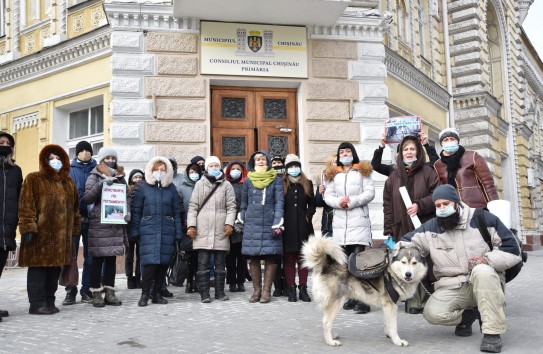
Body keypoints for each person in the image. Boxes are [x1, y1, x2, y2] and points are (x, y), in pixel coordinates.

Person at [400, 184, 522, 353]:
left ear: (457, 203)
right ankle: (468, 315)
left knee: (482, 271)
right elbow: (407, 244)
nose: (442, 209)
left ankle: (492, 334)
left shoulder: (483, 218)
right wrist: (392, 253)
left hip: (486, 281)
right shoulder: (431, 227)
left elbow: (513, 250)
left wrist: (487, 260)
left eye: (446, 204)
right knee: (432, 313)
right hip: (453, 286)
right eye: (438, 206)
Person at [18, 144, 80, 315]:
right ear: (44, 161)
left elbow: (75, 209)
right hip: (40, 236)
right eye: (51, 159)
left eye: (58, 159)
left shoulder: (68, 182)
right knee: (38, 270)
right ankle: (37, 304)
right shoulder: (34, 179)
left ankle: (49, 301)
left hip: (61, 238)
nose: (55, 161)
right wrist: (28, 227)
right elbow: (26, 205)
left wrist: (75, 230)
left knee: (53, 271)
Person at [382, 135, 441, 314]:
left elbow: (437, 195)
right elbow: (387, 204)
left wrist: (420, 205)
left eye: (412, 149)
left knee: (424, 262)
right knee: (406, 263)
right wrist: (389, 228)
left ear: (418, 152)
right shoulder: (393, 177)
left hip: (424, 225)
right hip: (401, 228)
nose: (409, 152)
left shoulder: (428, 172)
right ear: (400, 153)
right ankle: (412, 301)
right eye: (406, 149)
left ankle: (427, 299)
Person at [324, 142, 375, 314]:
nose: (345, 154)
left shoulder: (362, 170)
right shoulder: (333, 173)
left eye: (347, 151)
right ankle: (352, 297)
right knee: (345, 265)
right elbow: (327, 196)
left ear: (353, 153)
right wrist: (339, 202)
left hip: (358, 223)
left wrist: (352, 201)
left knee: (359, 264)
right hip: (340, 226)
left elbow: (369, 192)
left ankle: (364, 300)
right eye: (342, 152)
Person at [131, 157, 183, 306]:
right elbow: (136, 211)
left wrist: (178, 233)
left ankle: (157, 294)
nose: (159, 172)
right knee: (149, 265)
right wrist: (135, 230)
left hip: (167, 230)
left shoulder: (171, 188)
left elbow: (176, 212)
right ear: (150, 170)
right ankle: (144, 294)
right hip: (148, 231)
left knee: (162, 264)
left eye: (162, 170)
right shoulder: (142, 187)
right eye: (156, 169)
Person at [187, 156, 237, 303]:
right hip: (202, 229)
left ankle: (220, 292)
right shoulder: (199, 184)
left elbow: (231, 207)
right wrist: (191, 225)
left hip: (221, 229)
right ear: (207, 168)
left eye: (216, 165)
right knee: (202, 263)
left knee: (220, 263)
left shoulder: (227, 185)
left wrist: (229, 224)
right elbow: (193, 207)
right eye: (211, 166)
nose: (214, 168)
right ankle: (204, 294)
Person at [84, 147, 126, 307]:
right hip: (99, 225)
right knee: (97, 260)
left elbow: (126, 197)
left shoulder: (120, 177)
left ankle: (110, 293)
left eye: (113, 158)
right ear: (101, 160)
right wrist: (101, 184)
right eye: (107, 158)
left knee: (111, 260)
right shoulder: (94, 176)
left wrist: (126, 212)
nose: (110, 160)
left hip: (115, 223)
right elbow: (87, 198)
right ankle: (96, 293)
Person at [240, 150, 284, 304]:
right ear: (253, 162)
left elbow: (279, 201)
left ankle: (266, 291)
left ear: (268, 162)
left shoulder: (276, 179)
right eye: (257, 159)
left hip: (270, 221)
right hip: (252, 222)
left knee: (271, 255)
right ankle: (256, 291)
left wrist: (278, 219)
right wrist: (242, 215)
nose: (260, 162)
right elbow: (244, 202)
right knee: (253, 257)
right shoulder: (248, 180)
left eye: (263, 159)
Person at [61, 141, 97, 305]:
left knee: (90, 257)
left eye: (87, 150)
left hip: (93, 219)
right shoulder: (68, 170)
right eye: (81, 150)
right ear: (76, 153)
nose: (84, 152)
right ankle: (70, 290)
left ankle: (86, 290)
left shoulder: (97, 169)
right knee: (70, 256)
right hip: (73, 220)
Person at [434, 128, 498, 208]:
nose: (449, 142)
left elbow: (488, 184)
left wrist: (494, 207)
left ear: (457, 141)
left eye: (452, 139)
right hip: (454, 210)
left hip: (477, 207)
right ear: (441, 143)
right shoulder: (438, 165)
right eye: (446, 140)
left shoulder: (473, 156)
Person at [282, 154, 316, 302]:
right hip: (287, 227)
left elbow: (313, 203)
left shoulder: (307, 183)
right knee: (289, 259)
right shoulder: (282, 183)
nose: (294, 169)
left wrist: (308, 215)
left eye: (296, 166)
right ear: (286, 169)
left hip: (304, 226)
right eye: (291, 166)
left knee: (303, 259)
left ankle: (303, 288)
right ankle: (291, 288)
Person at [0, 132, 23, 321]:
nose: (5, 145)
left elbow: (19, 198)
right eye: (1, 142)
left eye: (8, 143)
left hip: (7, 228)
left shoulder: (15, 170)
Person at [178, 159, 203, 293]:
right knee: (188, 256)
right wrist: (184, 221)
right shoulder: (181, 188)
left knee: (199, 257)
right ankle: (189, 281)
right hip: (187, 227)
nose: (194, 173)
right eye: (191, 171)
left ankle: (198, 282)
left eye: (196, 171)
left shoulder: (204, 185)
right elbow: (179, 206)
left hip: (202, 226)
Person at [224, 160, 248, 293]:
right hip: (228, 223)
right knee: (230, 256)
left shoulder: (246, 184)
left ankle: (241, 281)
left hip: (243, 223)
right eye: (233, 169)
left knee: (242, 256)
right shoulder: (225, 184)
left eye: (238, 169)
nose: (235, 171)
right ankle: (232, 281)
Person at [372, 132, 439, 176]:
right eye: (405, 150)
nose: (409, 152)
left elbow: (436, 163)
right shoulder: (393, 170)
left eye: (412, 149)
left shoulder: (424, 168)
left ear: (417, 153)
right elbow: (375, 165)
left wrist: (426, 145)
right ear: (399, 154)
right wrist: (381, 147)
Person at [270, 155, 288, 297]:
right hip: (274, 222)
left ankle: (287, 285)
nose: (276, 165)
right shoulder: (269, 179)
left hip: (288, 222)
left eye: (279, 163)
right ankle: (277, 286)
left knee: (287, 257)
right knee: (275, 257)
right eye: (274, 163)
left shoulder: (288, 180)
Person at [125, 168, 144, 289]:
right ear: (131, 179)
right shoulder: (126, 191)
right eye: (135, 177)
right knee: (129, 255)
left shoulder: (145, 191)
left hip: (141, 226)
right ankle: (129, 278)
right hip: (129, 227)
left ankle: (138, 277)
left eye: (140, 177)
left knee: (140, 255)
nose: (137, 180)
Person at [315, 154, 336, 237]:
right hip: (329, 220)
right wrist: (320, 193)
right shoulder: (323, 179)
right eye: (335, 162)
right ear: (329, 164)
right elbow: (318, 203)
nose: (338, 164)